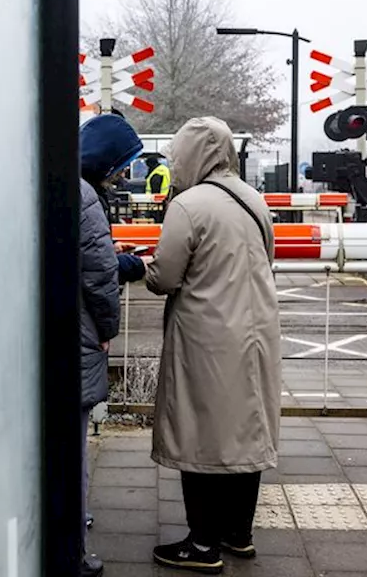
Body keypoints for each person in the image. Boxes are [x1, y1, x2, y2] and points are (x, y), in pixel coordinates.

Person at [142, 117, 280, 575]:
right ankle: (238, 534)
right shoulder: (253, 198)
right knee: (246, 429)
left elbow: (164, 278)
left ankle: (202, 544)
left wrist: (141, 266)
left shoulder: (188, 205)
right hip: (257, 330)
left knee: (199, 432)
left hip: (206, 335)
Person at [77, 114, 144, 577]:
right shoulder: (85, 197)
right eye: (119, 165)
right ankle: (73, 548)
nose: (122, 174)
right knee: (73, 441)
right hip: (77, 329)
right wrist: (107, 328)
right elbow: (98, 274)